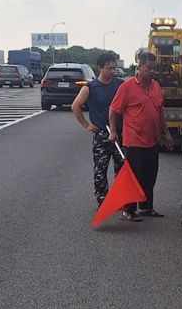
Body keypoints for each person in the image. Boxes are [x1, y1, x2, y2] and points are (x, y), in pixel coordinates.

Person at [108, 52, 174, 221]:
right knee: (134, 176)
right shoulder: (127, 86)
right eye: (148, 68)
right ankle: (128, 210)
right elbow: (114, 110)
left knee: (150, 175)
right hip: (134, 140)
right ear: (139, 66)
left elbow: (160, 111)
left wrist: (165, 132)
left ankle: (146, 207)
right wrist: (114, 131)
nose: (152, 72)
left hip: (152, 139)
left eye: (154, 68)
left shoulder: (155, 86)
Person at [72, 53, 124, 206]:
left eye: (114, 68)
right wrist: (86, 125)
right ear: (100, 68)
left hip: (120, 133)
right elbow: (75, 106)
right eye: (109, 68)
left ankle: (121, 200)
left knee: (122, 168)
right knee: (100, 169)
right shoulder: (90, 88)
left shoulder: (120, 85)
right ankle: (103, 200)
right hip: (102, 134)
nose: (112, 71)